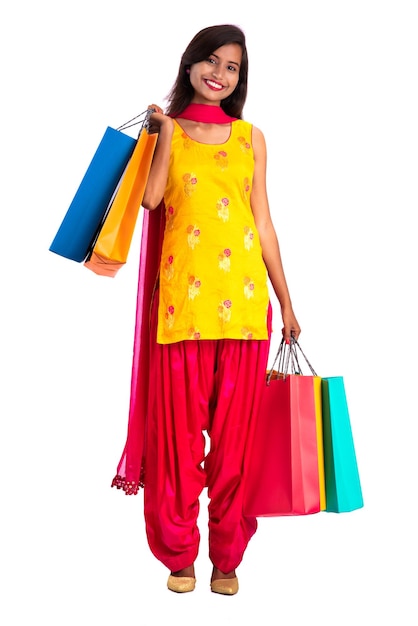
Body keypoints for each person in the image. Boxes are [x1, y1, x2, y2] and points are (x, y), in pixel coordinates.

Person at [111, 23, 301, 595]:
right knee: (177, 444)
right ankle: (179, 554)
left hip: (245, 313)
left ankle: (226, 555)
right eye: (212, 61)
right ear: (191, 63)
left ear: (240, 79)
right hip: (182, 314)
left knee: (236, 444)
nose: (220, 74)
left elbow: (261, 222)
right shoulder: (165, 132)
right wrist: (166, 132)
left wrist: (287, 302)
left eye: (233, 68)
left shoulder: (251, 138)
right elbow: (150, 198)